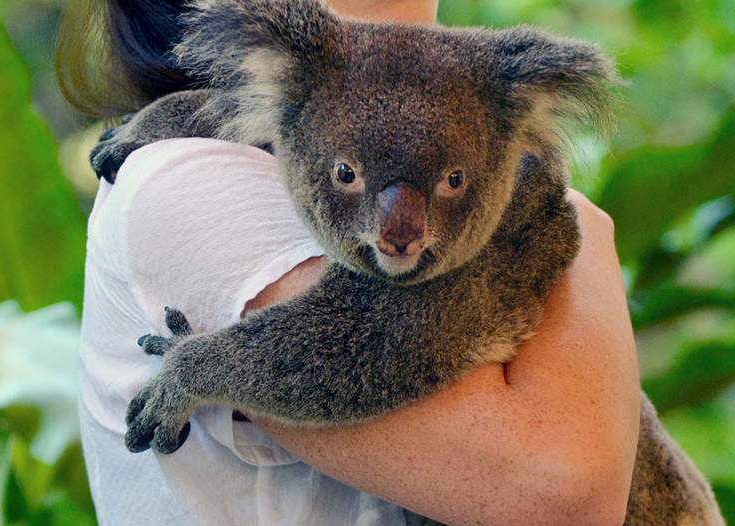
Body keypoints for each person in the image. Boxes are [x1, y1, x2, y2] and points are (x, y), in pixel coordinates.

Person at [59, 1, 642, 524]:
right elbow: (564, 494)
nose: (399, 237)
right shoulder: (190, 182)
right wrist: (584, 224)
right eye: (345, 174)